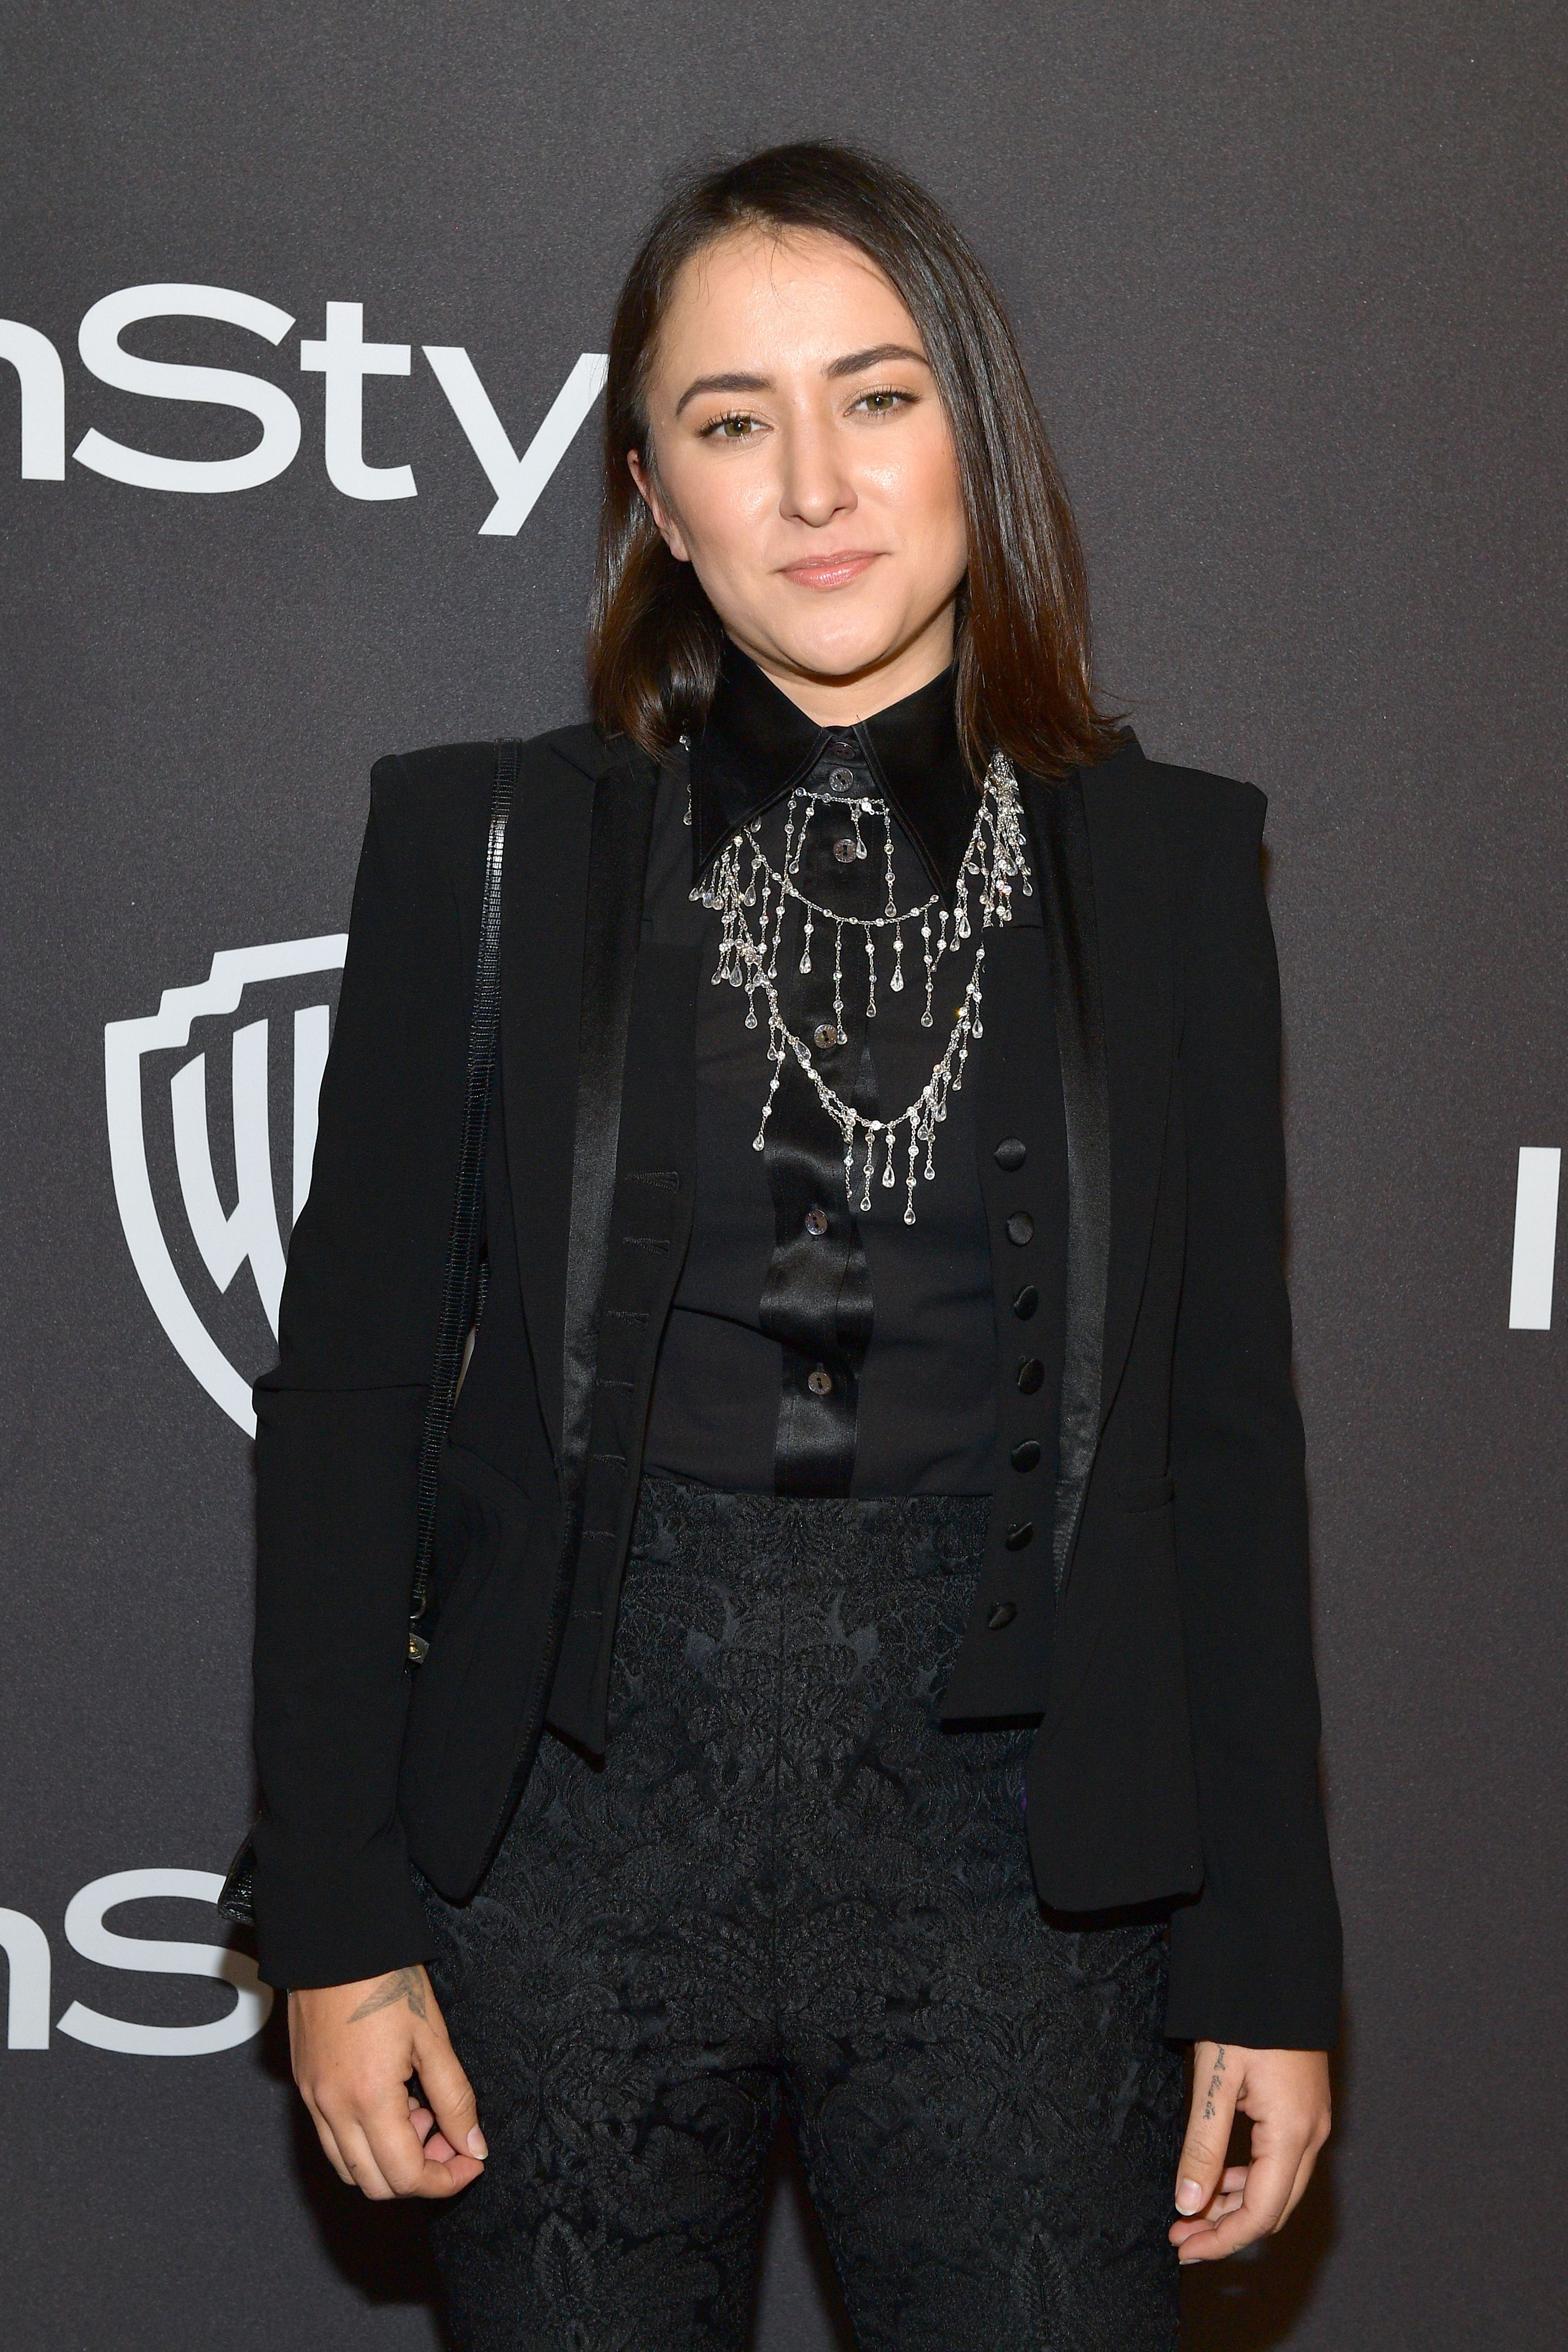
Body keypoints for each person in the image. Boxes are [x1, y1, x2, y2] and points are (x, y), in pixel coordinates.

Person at [247, 141, 1340, 2351]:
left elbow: (1223, 1444)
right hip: (563, 1848)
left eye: (880, 395)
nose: (816, 484)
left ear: (977, 439)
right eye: (734, 423)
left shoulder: (1160, 866)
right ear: (655, 492)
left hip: (1026, 1870)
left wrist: (1271, 1967)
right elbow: (350, 1410)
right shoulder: (482, 851)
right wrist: (340, 1928)